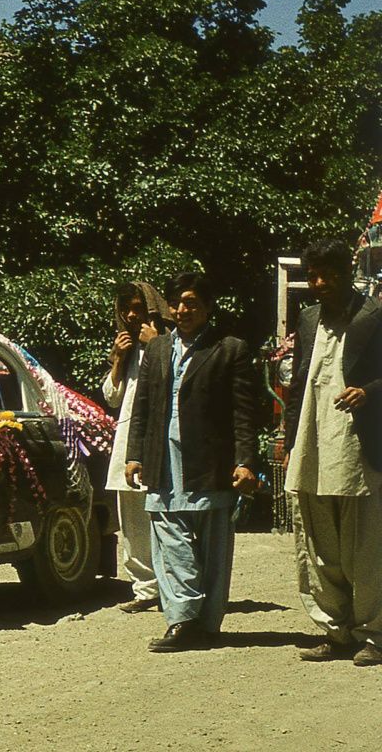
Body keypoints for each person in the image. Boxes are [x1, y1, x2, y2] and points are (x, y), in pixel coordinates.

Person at [125, 271, 259, 651]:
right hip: (163, 457)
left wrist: (246, 461)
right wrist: (135, 455)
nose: (183, 310)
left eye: (192, 303)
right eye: (177, 303)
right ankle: (182, 618)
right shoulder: (156, 349)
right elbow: (143, 407)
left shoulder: (229, 348)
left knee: (213, 543)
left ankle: (208, 622)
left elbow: (244, 413)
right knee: (169, 538)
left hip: (210, 460)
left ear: (207, 307)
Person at [284, 239, 382, 666]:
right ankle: (334, 629)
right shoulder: (307, 320)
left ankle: (373, 634)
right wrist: (289, 443)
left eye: (329, 274)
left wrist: (370, 392)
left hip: (358, 445)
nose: (320, 283)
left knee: (365, 543)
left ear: (347, 272)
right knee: (320, 539)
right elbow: (297, 384)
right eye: (314, 275)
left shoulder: (374, 316)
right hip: (313, 440)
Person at [102, 281, 173, 613]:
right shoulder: (125, 347)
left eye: (138, 307)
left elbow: (176, 381)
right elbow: (113, 398)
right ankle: (145, 589)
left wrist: (156, 344)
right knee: (131, 517)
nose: (131, 315)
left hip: (160, 437)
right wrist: (117, 359)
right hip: (128, 437)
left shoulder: (169, 340)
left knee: (164, 514)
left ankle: (172, 587)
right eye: (125, 308)